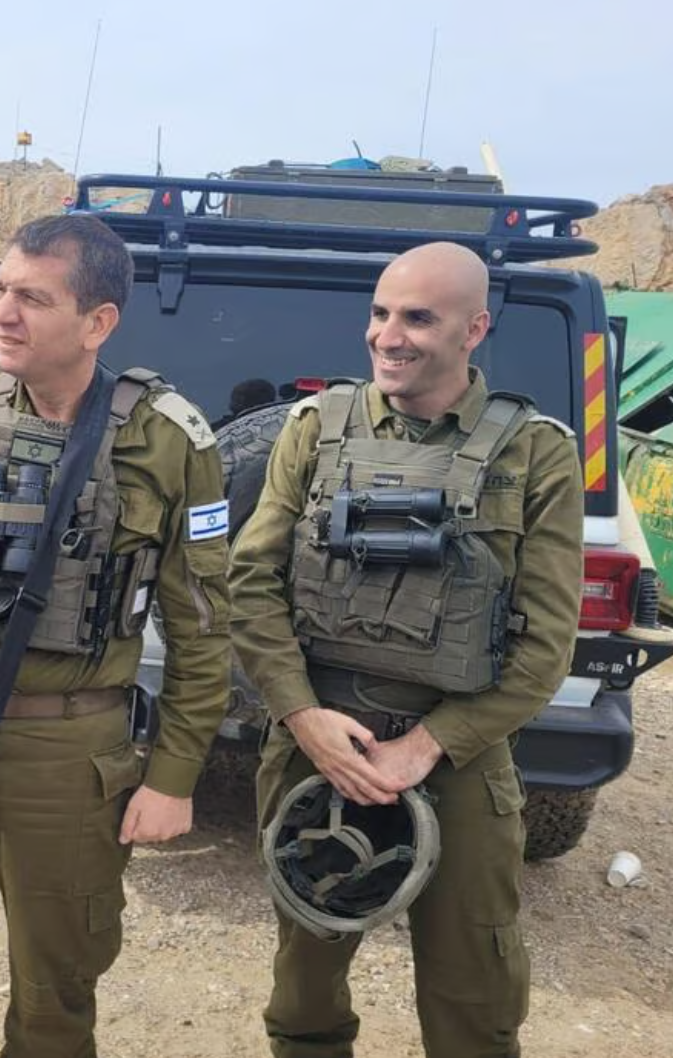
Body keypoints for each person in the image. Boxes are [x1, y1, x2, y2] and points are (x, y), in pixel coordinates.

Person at [0, 214, 232, 1057]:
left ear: (97, 322)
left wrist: (173, 776)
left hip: (69, 753)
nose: (3, 314)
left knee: (54, 995)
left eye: (32, 297)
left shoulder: (168, 440)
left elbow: (203, 625)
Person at [229, 241, 585, 1058]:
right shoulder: (314, 430)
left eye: (417, 318)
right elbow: (250, 582)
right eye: (380, 313)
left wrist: (424, 747)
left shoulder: (535, 452)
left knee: (473, 990)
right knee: (304, 980)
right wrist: (302, 717)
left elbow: (543, 647)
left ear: (473, 329)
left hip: (456, 757)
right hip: (318, 746)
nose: (387, 336)